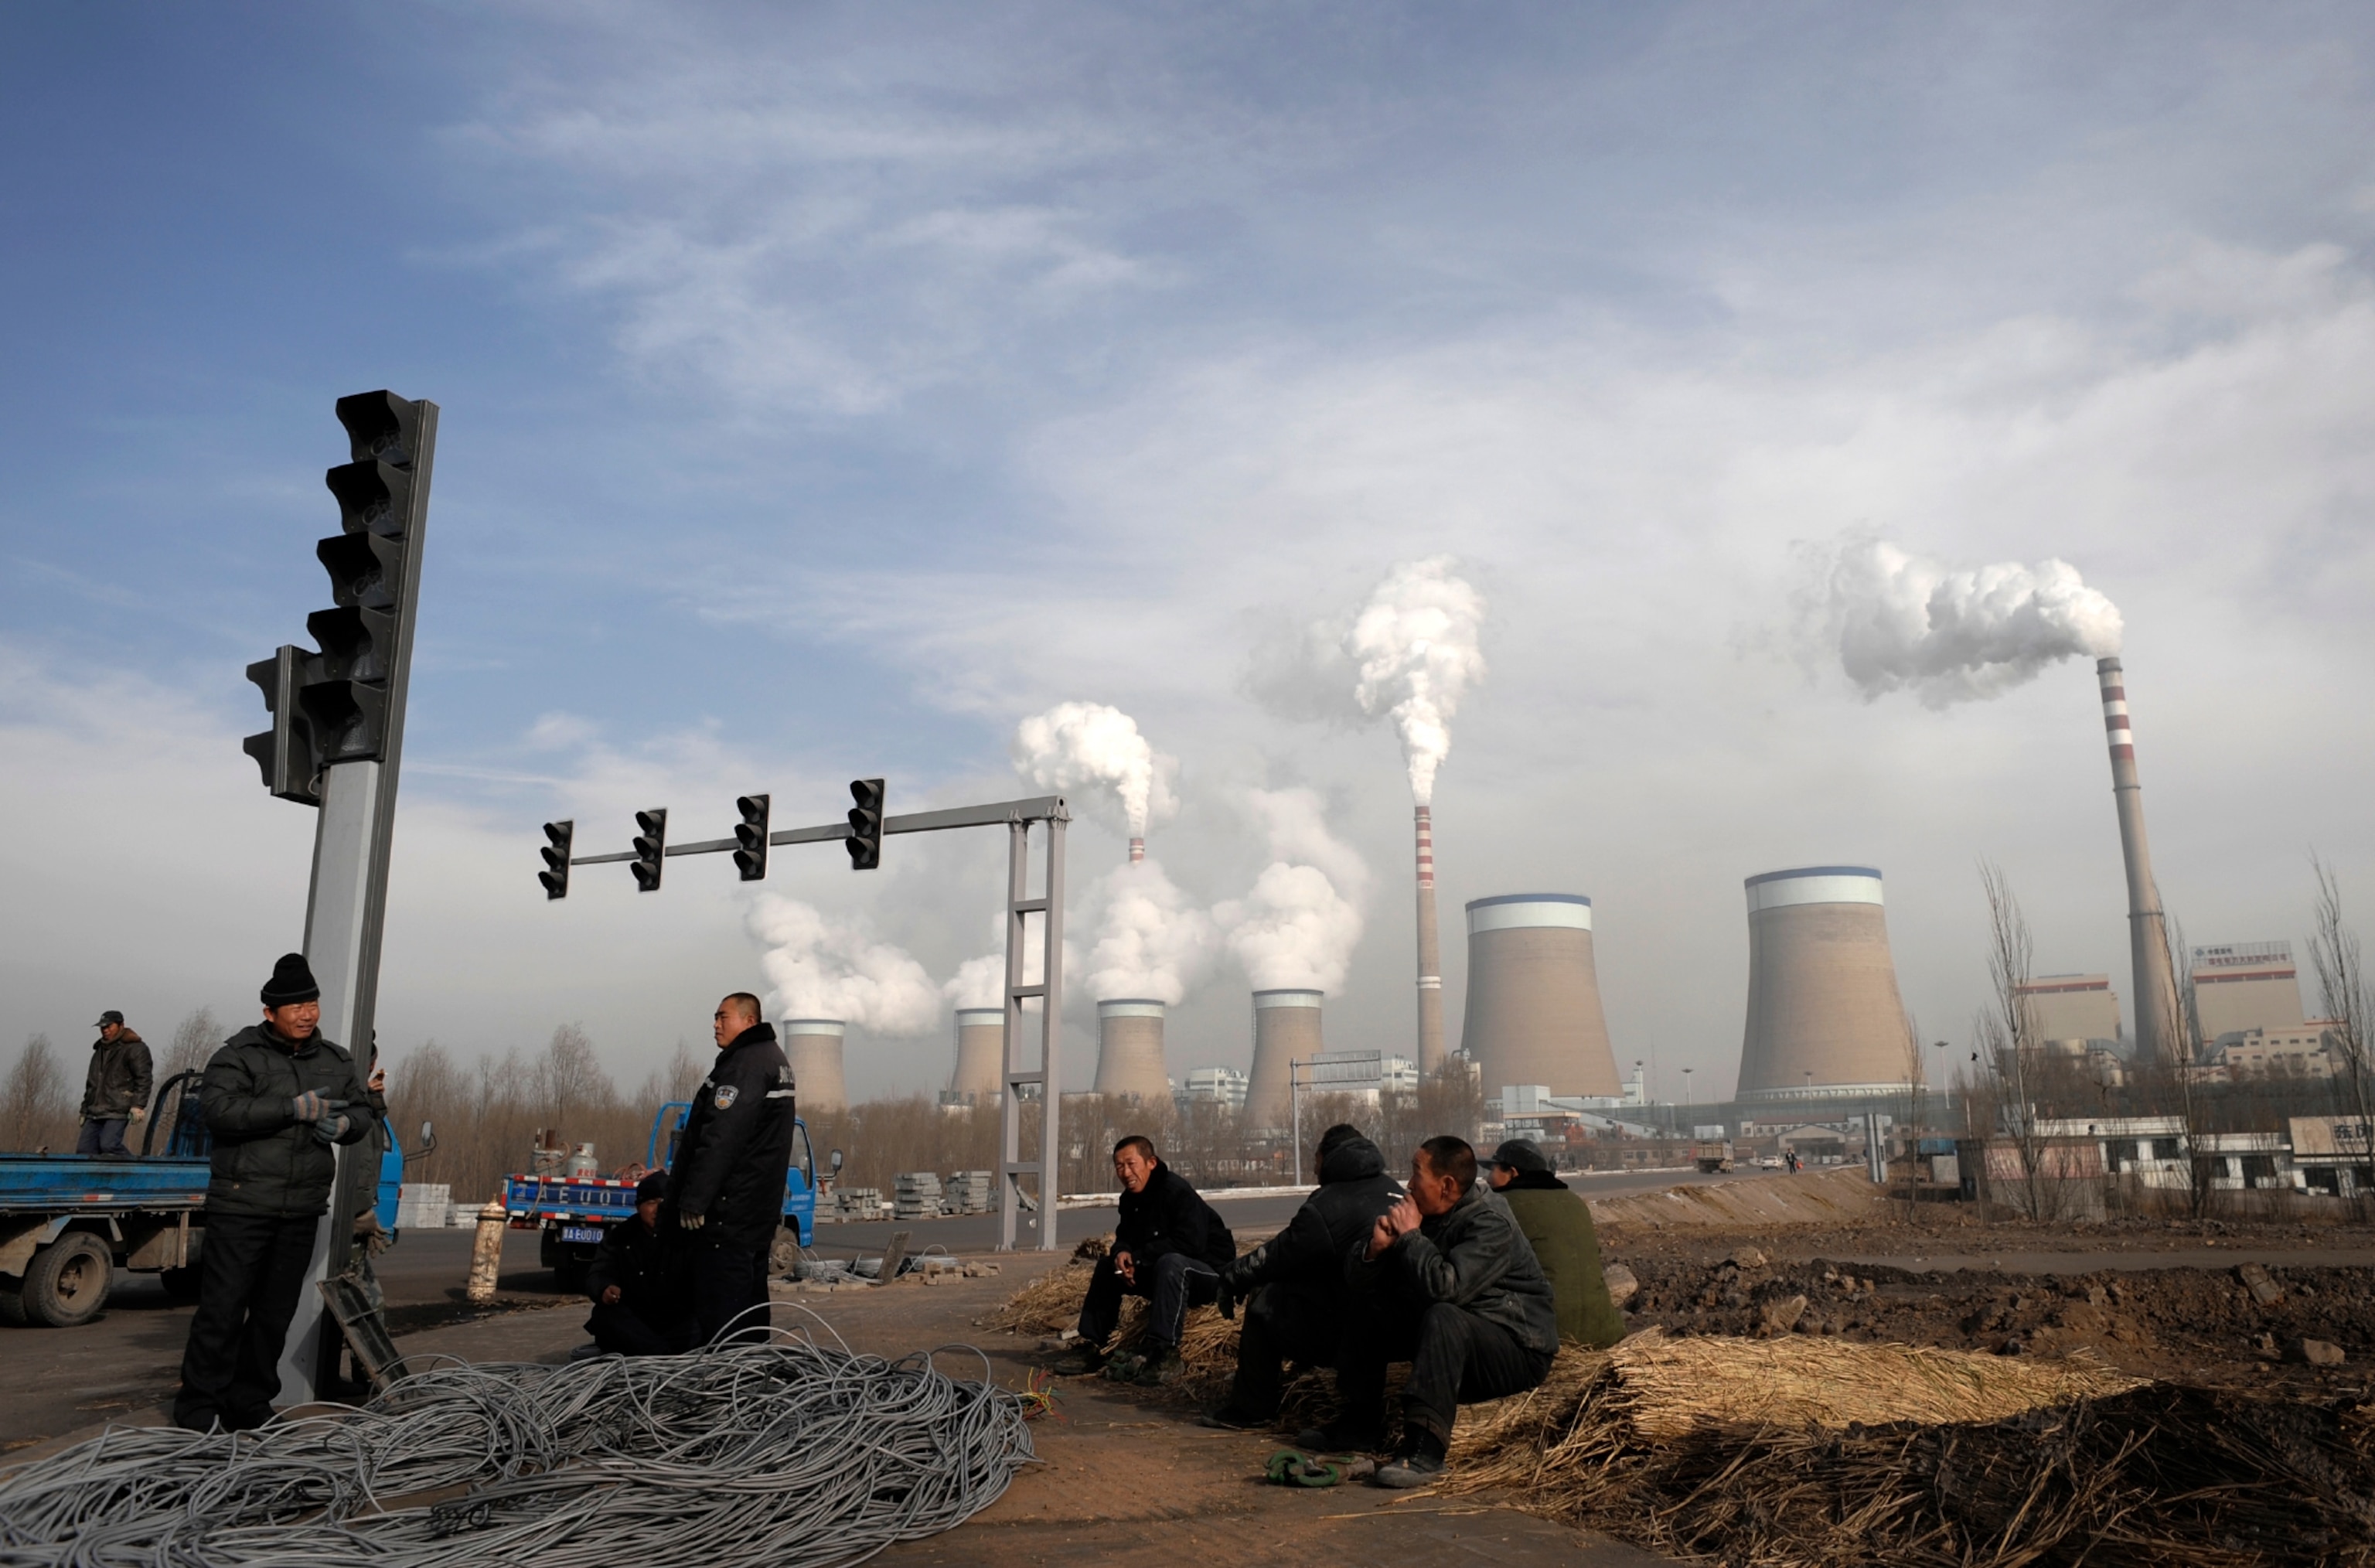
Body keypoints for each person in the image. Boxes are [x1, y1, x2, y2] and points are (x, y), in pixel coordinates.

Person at [174, 954, 380, 1432]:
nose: (307, 1013)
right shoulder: (238, 1055)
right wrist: (289, 1109)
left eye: (312, 1003)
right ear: (270, 1012)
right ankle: (199, 1408)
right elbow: (219, 1111)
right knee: (222, 1312)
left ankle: (248, 1403)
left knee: (273, 1315)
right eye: (296, 1006)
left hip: (301, 1209)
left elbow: (365, 1112)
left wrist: (347, 1123)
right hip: (242, 1206)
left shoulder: (335, 1059)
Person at [1309, 1133, 1557, 1488]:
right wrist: (1375, 1251)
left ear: (1446, 1185)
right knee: (1371, 1306)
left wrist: (1411, 1238)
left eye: (1415, 1174)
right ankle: (1358, 1425)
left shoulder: (1489, 1222)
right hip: (1460, 1338)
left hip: (1516, 1347)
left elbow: (1448, 1288)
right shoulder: (1430, 1213)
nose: (1408, 1185)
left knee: (1443, 1315)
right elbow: (1362, 1282)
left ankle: (1425, 1450)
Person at [1201, 1123, 1402, 1428]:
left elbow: (1278, 1256)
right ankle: (1305, 1378)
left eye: (1316, 1160)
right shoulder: (1394, 1190)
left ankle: (1251, 1409)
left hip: (1355, 1334)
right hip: (1399, 1329)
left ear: (1328, 1158)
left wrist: (1233, 1277)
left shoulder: (1329, 1205)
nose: (1313, 1168)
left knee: (1265, 1302)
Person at [665, 992, 796, 1346]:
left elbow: (721, 1138)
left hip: (728, 1214)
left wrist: (695, 1199)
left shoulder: (746, 1065)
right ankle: (750, 1380)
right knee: (750, 1305)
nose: (716, 1024)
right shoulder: (771, 1059)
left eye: (724, 1017)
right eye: (715, 1017)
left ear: (749, 1021)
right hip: (754, 1212)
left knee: (722, 1311)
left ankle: (725, 1387)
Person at [1056, 1136, 1235, 1386]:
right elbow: (1124, 1236)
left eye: (1131, 1164)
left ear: (1151, 1162)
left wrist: (1138, 1260)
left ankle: (1165, 1352)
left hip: (1209, 1275)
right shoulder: (1130, 1199)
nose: (1125, 1172)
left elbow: (1191, 1245)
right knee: (1109, 1267)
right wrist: (1122, 1254)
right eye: (1119, 1166)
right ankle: (1092, 1345)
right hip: (1164, 1275)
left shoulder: (1177, 1192)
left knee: (1172, 1264)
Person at [1483, 1138, 1625, 1349]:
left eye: (1493, 1170)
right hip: (1603, 1330)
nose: (1487, 1178)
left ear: (1512, 1173)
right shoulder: (1576, 1202)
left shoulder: (1502, 1206)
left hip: (1549, 1334)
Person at [581, 1171, 697, 1356]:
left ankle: (654, 1354)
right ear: (638, 1207)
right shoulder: (621, 1236)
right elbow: (598, 1273)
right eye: (651, 1203)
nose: (657, 1209)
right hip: (637, 1319)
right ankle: (660, 1355)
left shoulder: (690, 1235)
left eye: (663, 1202)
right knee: (603, 1316)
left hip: (677, 1319)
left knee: (706, 1320)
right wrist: (605, 1289)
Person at [78, 1011, 153, 1157]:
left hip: (118, 1107)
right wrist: (84, 1110)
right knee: (84, 1151)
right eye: (102, 1028)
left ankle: (137, 1173)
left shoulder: (136, 1049)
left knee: (109, 1145)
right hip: (95, 1110)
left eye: (109, 1026)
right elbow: (92, 1083)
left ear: (121, 1025)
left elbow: (144, 1079)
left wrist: (138, 1105)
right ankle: (96, 1180)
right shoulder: (99, 1050)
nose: (105, 1030)